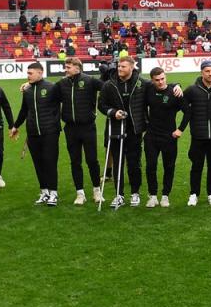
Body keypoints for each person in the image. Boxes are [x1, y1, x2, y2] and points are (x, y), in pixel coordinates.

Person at [98, 57, 148, 209]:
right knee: (118, 162)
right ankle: (119, 195)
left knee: (134, 162)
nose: (120, 69)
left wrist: (176, 85)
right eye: (119, 66)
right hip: (115, 128)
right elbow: (101, 105)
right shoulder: (109, 84)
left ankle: (135, 193)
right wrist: (113, 112)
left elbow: (160, 87)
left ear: (132, 68)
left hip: (135, 129)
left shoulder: (142, 83)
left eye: (123, 67)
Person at [53, 58, 104, 206]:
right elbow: (48, 91)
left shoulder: (89, 80)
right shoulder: (61, 84)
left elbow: (109, 88)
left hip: (88, 127)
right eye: (65, 67)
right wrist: (29, 85)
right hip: (70, 128)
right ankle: (80, 193)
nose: (66, 69)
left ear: (77, 68)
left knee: (92, 160)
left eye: (68, 67)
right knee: (75, 162)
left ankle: (96, 191)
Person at [10, 63, 63, 207]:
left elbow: (64, 102)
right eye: (27, 73)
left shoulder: (52, 88)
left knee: (50, 162)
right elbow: (23, 111)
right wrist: (15, 126)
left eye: (30, 73)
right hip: (33, 133)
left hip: (50, 132)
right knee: (38, 163)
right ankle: (44, 192)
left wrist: (55, 123)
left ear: (40, 73)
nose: (28, 75)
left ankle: (53, 193)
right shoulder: (27, 91)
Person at [180, 59, 211, 206]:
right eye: (207, 71)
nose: (210, 74)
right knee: (197, 166)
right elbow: (181, 102)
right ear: (201, 72)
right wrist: (189, 113)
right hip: (198, 135)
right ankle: (193, 194)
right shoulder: (192, 89)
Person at [143, 67, 187, 208]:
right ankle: (153, 196)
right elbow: (142, 107)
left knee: (169, 167)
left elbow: (188, 112)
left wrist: (180, 130)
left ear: (165, 77)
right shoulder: (148, 90)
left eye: (162, 79)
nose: (160, 82)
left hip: (169, 137)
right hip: (151, 136)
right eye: (157, 80)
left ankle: (165, 196)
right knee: (151, 166)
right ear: (152, 80)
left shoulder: (175, 92)